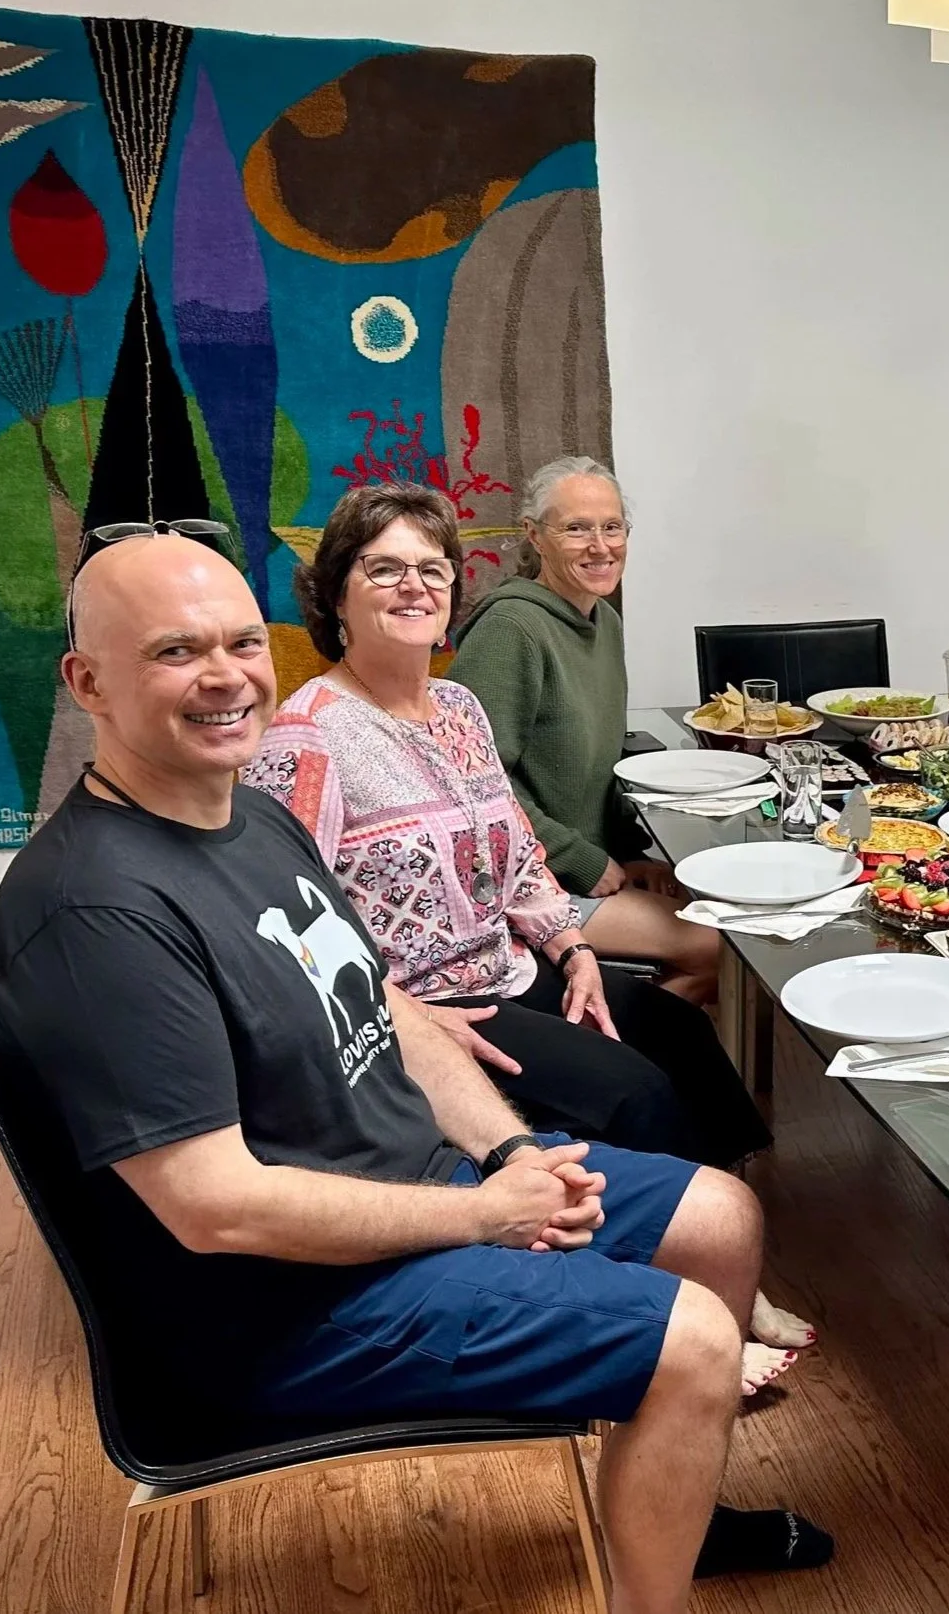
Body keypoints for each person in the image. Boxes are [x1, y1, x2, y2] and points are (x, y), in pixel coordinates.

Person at [0, 533, 830, 1607]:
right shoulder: (95, 912)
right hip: (280, 1307)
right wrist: (488, 1216)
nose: (227, 674)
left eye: (243, 641)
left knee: (720, 1215)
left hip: (413, 1187)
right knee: (696, 1332)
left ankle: (675, 1502)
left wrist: (511, 1151)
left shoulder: (250, 816)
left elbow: (386, 1003)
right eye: (175, 650)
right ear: (87, 681)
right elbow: (214, 1208)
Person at [240, 485, 807, 1387]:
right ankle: (682, 1318)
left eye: (432, 569)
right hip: (433, 1011)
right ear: (335, 595)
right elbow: (285, 923)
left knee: (682, 1034)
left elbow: (516, 856)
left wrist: (573, 948)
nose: (413, 587)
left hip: (505, 967)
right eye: (383, 569)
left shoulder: (459, 709)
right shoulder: (309, 741)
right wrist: (400, 1019)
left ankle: (728, 1265)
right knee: (629, 1093)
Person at [447, 457, 719, 1004]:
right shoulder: (510, 629)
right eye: (576, 528)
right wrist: (581, 860)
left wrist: (630, 853)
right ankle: (614, 1060)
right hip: (525, 885)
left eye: (612, 526)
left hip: (581, 861)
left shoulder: (603, 620)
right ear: (534, 536)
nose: (601, 546)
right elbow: (470, 787)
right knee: (718, 946)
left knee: (719, 903)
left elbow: (595, 768)